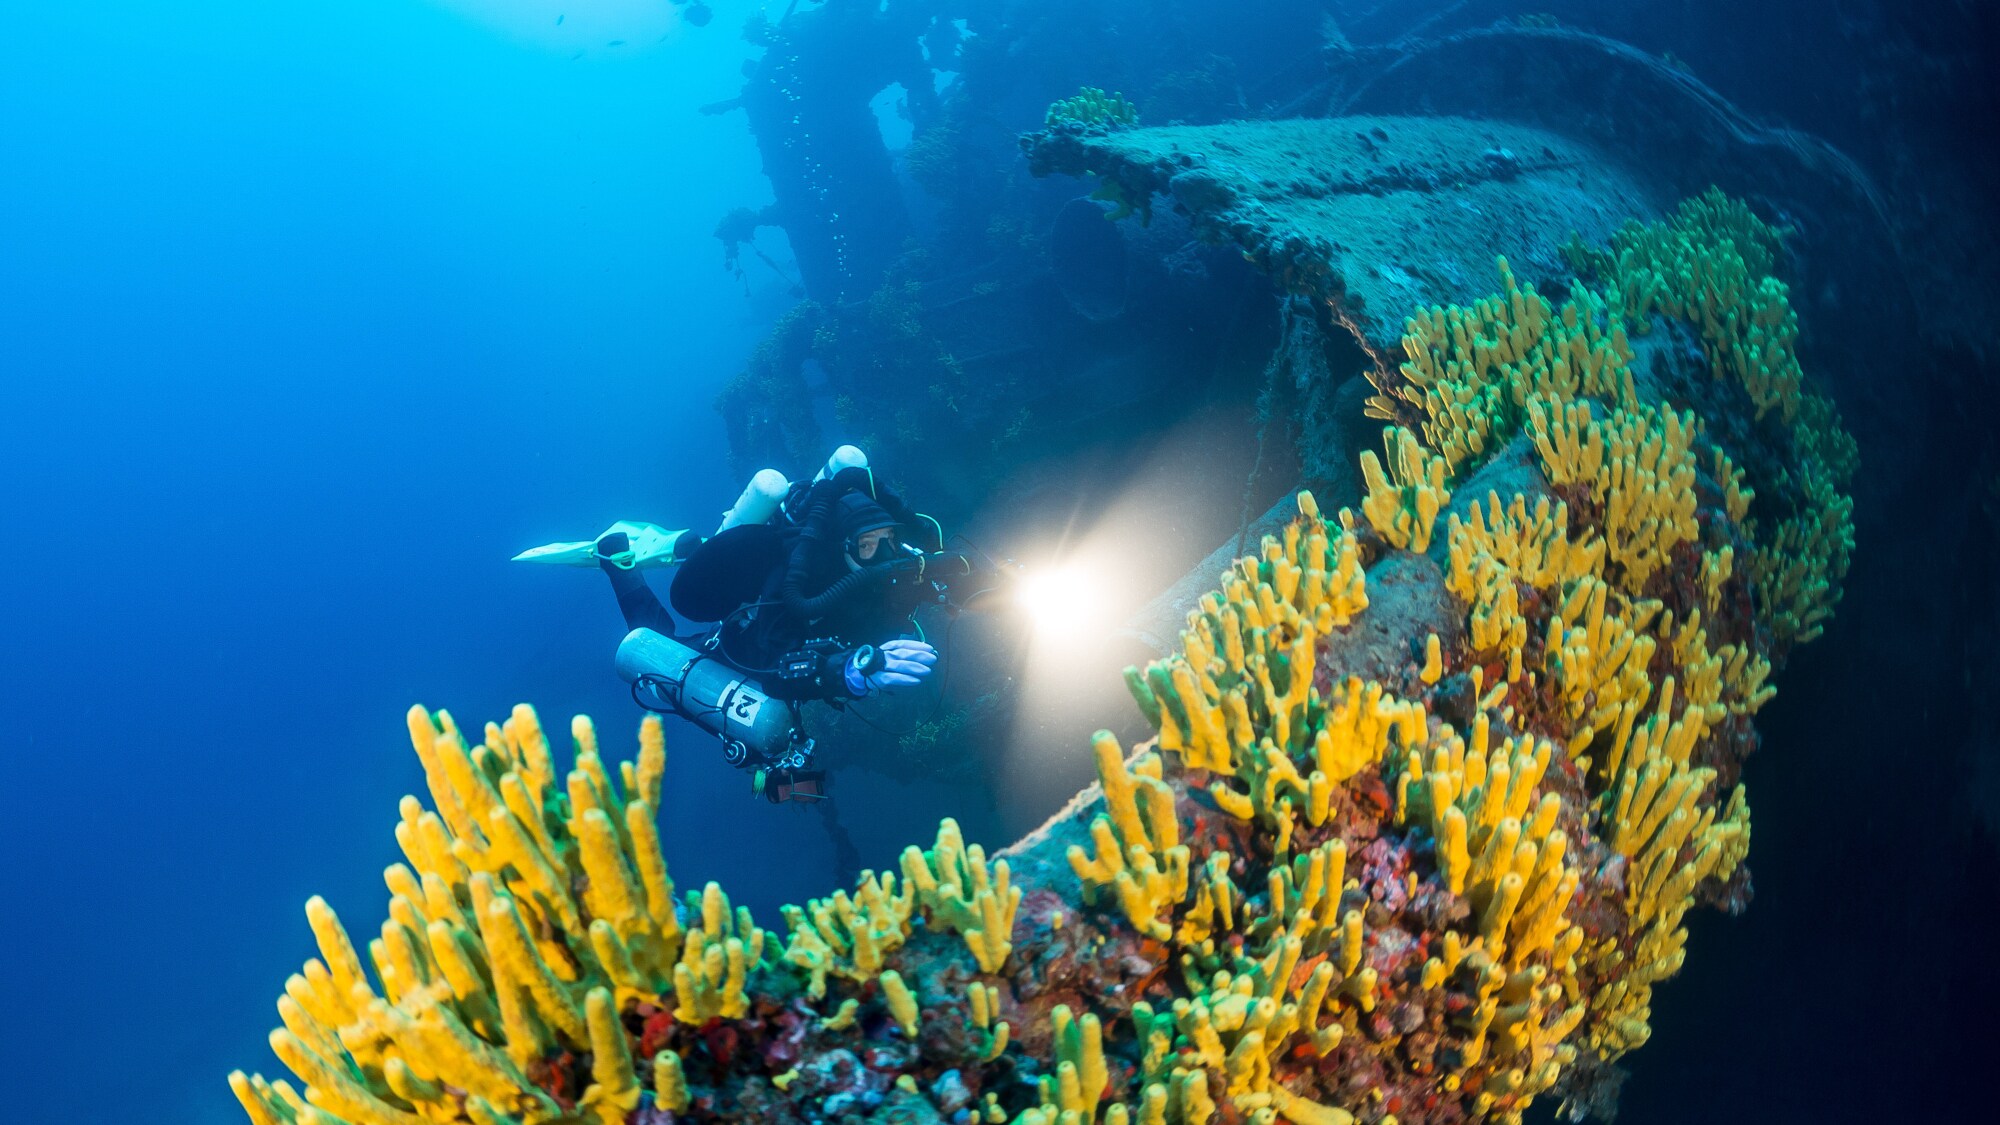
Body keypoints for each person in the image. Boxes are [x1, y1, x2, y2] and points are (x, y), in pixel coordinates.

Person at [593, 464, 940, 702]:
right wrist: (847, 671)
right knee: (658, 667)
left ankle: (694, 552)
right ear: (842, 545)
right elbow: (775, 665)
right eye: (867, 545)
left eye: (889, 539)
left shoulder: (880, 569)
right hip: (741, 650)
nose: (884, 555)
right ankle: (620, 567)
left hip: (774, 622)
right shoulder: (796, 575)